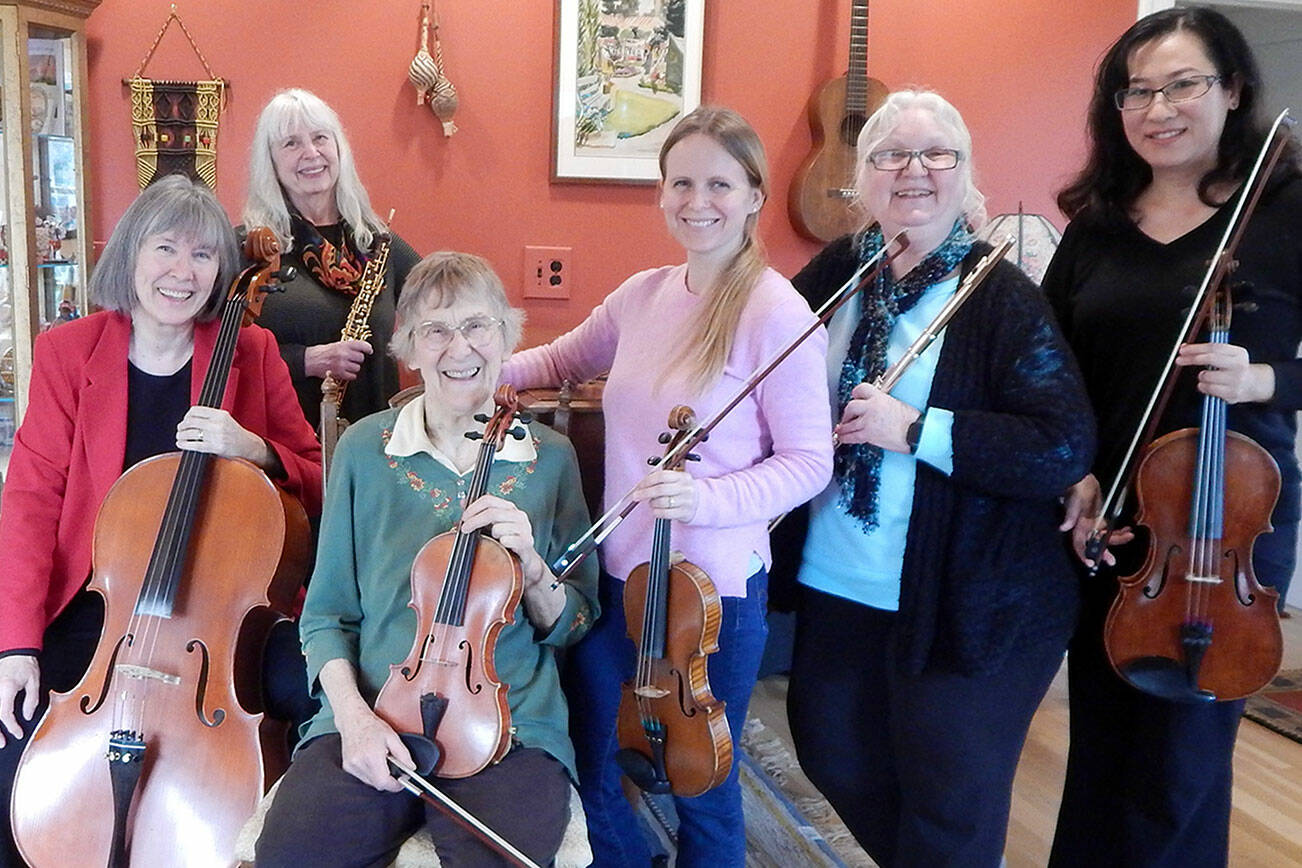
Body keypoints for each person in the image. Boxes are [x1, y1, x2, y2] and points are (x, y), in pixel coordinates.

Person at [502, 106, 833, 867]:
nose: (697, 200)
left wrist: (708, 499)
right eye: (681, 182)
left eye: (719, 183)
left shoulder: (778, 313)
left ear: (754, 194)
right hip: (616, 578)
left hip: (710, 599)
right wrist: (473, 373)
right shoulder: (644, 294)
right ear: (661, 194)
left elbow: (810, 462)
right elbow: (557, 360)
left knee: (701, 786)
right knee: (594, 756)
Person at [773, 89, 1095, 867]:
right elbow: (757, 355)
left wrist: (916, 430)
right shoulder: (843, 271)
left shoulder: (1000, 296)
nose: (912, 170)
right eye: (889, 154)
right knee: (834, 756)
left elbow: (1061, 444)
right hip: (839, 580)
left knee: (951, 799)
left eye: (935, 153)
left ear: (964, 173)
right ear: (862, 177)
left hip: (972, 598)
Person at [0, 174, 323, 865]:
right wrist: (15, 648)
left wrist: (257, 449)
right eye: (165, 247)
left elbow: (318, 479)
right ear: (131, 255)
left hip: (220, 612)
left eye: (203, 255)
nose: (182, 271)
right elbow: (29, 505)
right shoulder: (69, 353)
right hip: (98, 605)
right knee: (16, 740)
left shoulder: (253, 352)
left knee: (313, 712)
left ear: (221, 274)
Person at [1047, 8, 1302, 866]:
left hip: (1234, 528)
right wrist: (1075, 474)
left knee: (1180, 764)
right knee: (1104, 744)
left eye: (1183, 84)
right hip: (1117, 519)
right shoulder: (1099, 221)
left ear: (1232, 90)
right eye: (1138, 90)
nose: (1159, 108)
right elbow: (1051, 365)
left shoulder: (1289, 206)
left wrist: (1266, 380)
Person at [255, 252, 599, 867]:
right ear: (408, 348)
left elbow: (574, 623)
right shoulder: (365, 448)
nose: (458, 347)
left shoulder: (550, 459)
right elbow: (325, 616)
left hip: (511, 726)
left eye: (477, 326)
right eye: (435, 330)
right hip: (372, 711)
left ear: (506, 337)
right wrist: (355, 722)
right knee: (292, 854)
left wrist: (533, 565)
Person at [242, 88, 420, 430]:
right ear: (271, 162)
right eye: (291, 143)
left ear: (339, 148)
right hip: (287, 443)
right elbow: (222, 354)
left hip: (375, 439)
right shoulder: (251, 248)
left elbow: (446, 294)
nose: (311, 153)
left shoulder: (377, 242)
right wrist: (304, 360)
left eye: (320, 138)